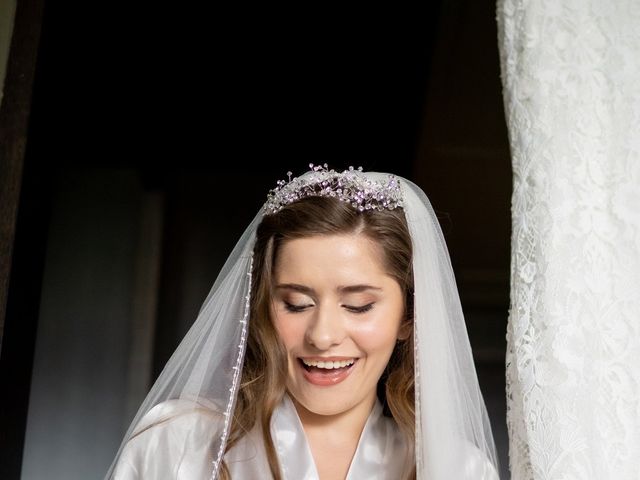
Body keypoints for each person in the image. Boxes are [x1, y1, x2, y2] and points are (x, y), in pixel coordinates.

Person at [105, 165, 500, 480]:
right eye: (296, 304)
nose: (323, 336)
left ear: (409, 318)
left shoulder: (457, 469)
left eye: (359, 305)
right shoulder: (177, 445)